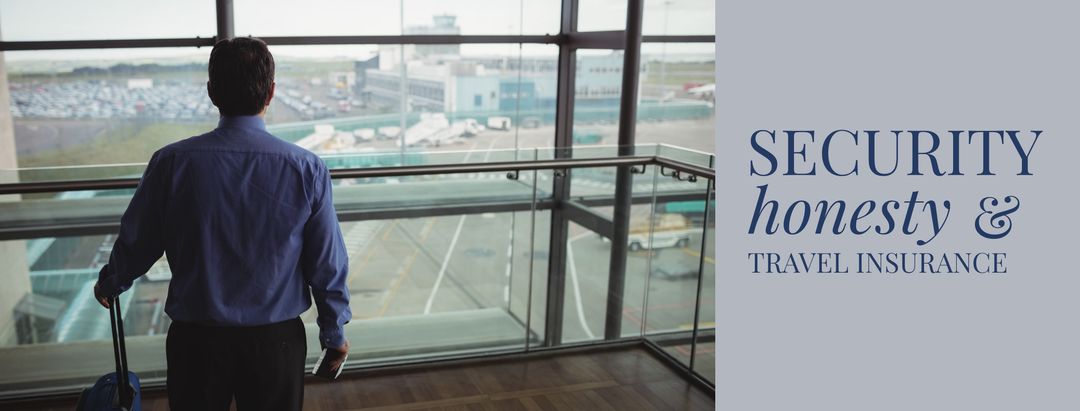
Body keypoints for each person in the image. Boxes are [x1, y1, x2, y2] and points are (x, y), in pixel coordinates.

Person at [92, 37, 351, 411]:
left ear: (211, 92)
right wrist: (334, 330)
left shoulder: (171, 162)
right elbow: (326, 260)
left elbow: (139, 239)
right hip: (275, 342)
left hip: (196, 341)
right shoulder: (306, 167)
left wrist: (113, 281)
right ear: (272, 92)